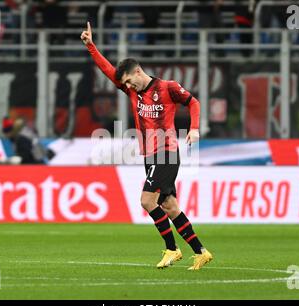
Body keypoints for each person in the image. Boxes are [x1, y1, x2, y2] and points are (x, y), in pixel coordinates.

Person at [81, 22, 213, 270]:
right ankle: (201, 251)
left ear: (138, 72)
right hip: (150, 155)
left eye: (130, 81)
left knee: (146, 201)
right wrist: (91, 47)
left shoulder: (167, 87)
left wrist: (194, 128)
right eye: (126, 85)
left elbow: (193, 102)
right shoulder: (133, 92)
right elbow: (109, 71)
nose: (127, 87)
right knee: (169, 206)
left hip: (166, 152)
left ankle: (172, 250)